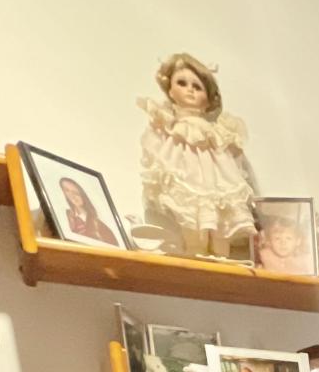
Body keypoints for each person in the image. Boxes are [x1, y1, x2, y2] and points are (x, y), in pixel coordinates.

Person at [139, 52, 257, 259]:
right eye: (182, 83)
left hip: (216, 181)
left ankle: (220, 252)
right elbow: (154, 145)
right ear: (170, 90)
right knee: (191, 218)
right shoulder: (171, 124)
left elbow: (233, 156)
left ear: (208, 99)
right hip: (187, 176)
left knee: (222, 220)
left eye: (197, 86)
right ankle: (196, 250)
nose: (190, 90)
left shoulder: (218, 130)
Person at [58, 178, 119, 247]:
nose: (73, 196)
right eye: (67, 191)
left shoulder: (102, 228)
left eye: (76, 192)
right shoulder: (63, 218)